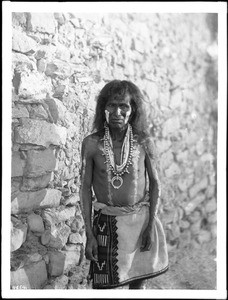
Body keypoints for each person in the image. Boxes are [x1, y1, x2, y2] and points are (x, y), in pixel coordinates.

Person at [80, 80, 169, 289]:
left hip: (140, 224)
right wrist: (89, 234)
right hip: (106, 223)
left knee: (138, 285)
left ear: (133, 110)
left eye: (124, 106)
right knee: (102, 287)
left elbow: (155, 185)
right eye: (111, 105)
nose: (117, 112)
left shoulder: (144, 142)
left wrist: (150, 226)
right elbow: (84, 188)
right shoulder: (92, 143)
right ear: (103, 108)